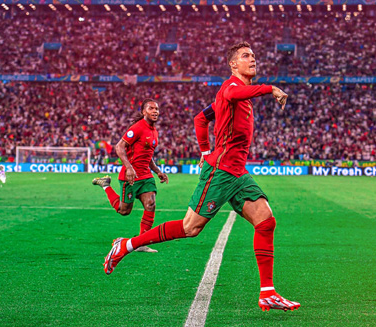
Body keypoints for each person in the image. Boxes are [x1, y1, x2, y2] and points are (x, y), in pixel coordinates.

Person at [103, 42, 300, 312]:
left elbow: (200, 118)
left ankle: (267, 292)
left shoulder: (231, 96)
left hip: (237, 173)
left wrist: (205, 150)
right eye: (246, 56)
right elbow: (233, 96)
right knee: (190, 228)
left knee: (265, 222)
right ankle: (126, 245)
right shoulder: (230, 89)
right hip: (220, 172)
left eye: (254, 55)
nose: (252, 59)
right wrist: (271, 88)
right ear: (233, 65)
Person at [93, 99, 169, 253]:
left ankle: (141, 242)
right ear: (143, 112)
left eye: (157, 109)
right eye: (151, 108)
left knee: (151, 204)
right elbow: (119, 147)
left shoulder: (155, 131)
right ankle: (105, 184)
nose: (155, 111)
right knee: (124, 210)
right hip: (131, 176)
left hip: (146, 175)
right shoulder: (137, 128)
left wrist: (158, 171)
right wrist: (128, 168)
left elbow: (148, 155)